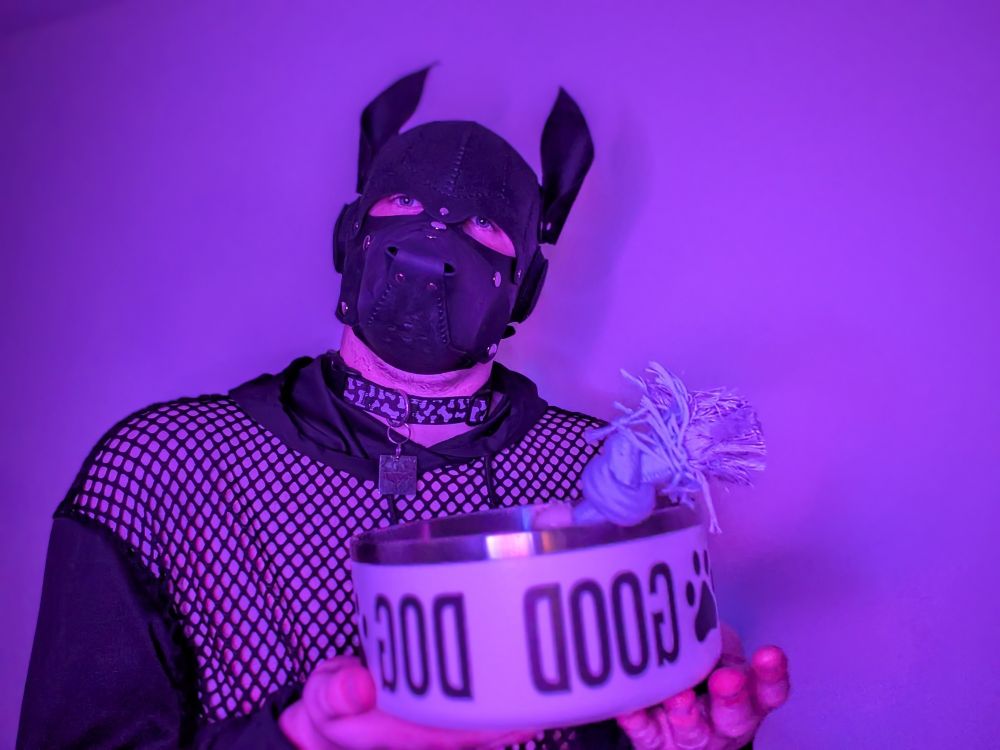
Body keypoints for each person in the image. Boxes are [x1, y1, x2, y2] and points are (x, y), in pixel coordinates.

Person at [17, 68, 789, 749]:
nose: (435, 237)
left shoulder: (601, 478)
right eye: (407, 201)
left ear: (524, 286)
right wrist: (295, 743)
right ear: (350, 235)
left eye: (483, 224)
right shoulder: (162, 469)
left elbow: (642, 707)